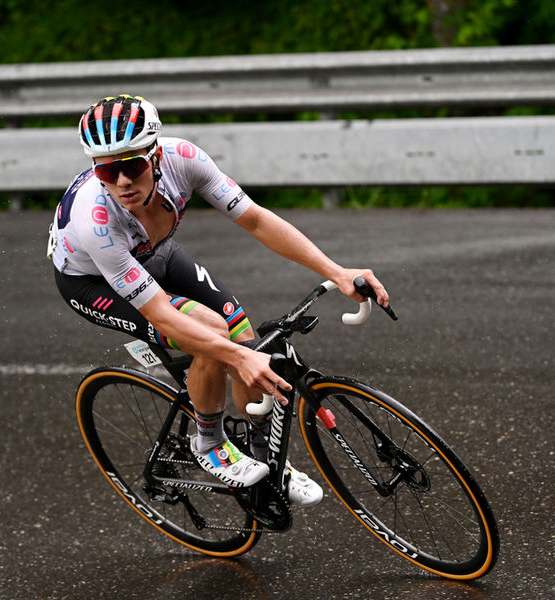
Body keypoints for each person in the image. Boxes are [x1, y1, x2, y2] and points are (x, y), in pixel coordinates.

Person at [49, 94, 389, 506]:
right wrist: (232, 356)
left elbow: (256, 219)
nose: (122, 182)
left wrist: (336, 271)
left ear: (156, 155)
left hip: (154, 253)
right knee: (210, 334)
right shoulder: (96, 221)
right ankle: (208, 442)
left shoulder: (186, 159)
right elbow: (161, 314)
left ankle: (264, 458)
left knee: (244, 337)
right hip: (92, 282)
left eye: (133, 165)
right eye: (107, 169)